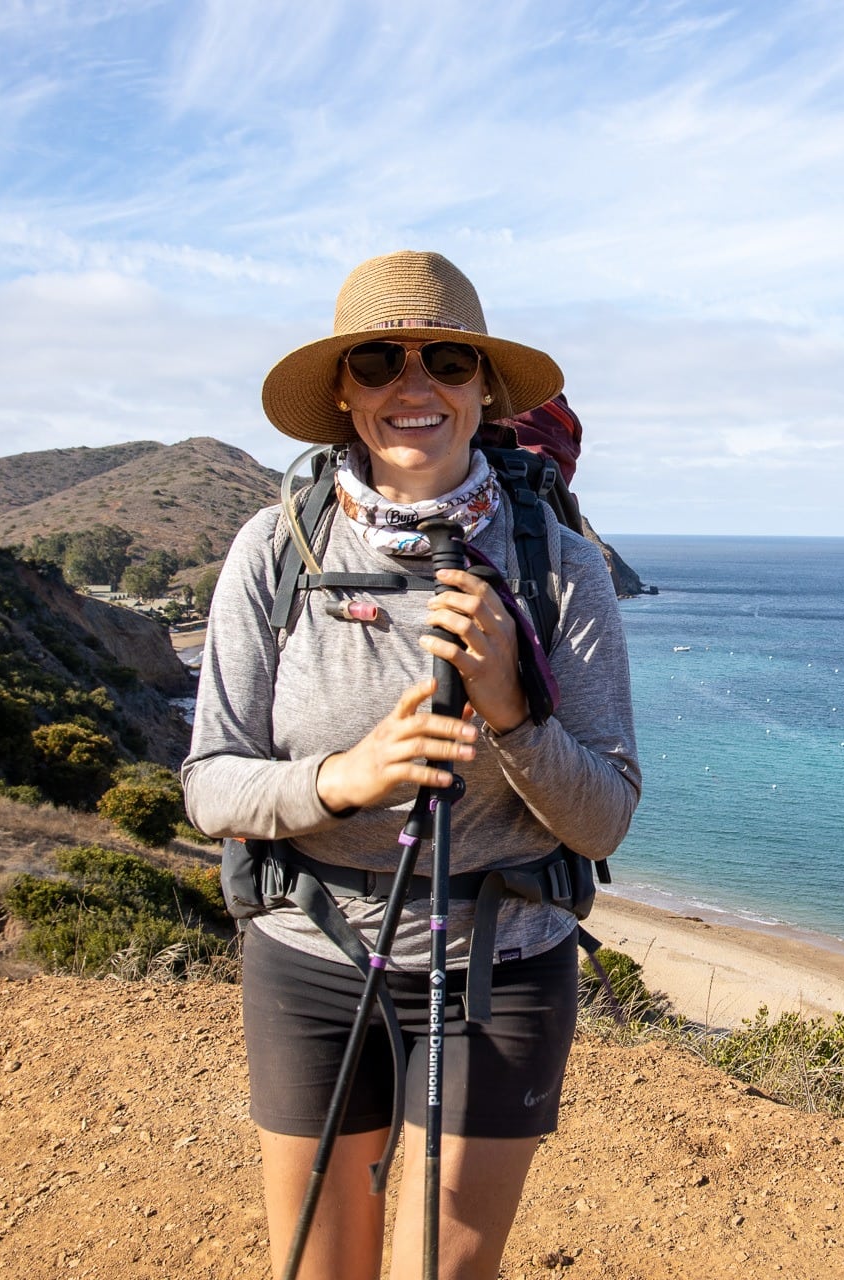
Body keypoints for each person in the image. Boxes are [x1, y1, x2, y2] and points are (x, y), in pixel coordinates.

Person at [182, 250, 640, 1280]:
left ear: (484, 390)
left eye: (447, 360)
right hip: (310, 952)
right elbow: (211, 778)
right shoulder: (276, 549)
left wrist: (515, 713)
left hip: (501, 962)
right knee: (318, 1266)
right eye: (382, 359)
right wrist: (342, 776)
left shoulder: (559, 566)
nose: (414, 385)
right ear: (345, 392)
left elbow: (605, 818)